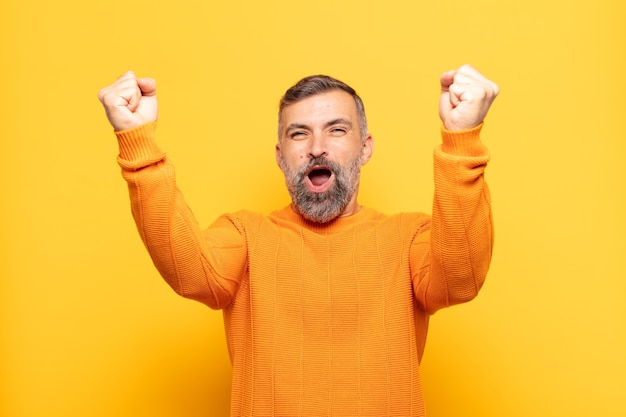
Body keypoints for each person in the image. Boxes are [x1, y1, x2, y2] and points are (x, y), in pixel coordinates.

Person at [98, 65, 499, 416]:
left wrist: (461, 141)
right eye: (299, 134)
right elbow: (191, 273)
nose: (316, 148)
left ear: (365, 148)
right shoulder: (245, 236)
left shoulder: (410, 238)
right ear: (280, 154)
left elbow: (459, 280)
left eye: (336, 130)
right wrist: (138, 141)